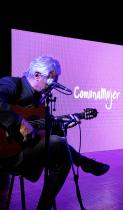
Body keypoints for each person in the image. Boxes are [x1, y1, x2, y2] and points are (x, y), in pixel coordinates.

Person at [0, 56, 110, 209]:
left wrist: (64, 123)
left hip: (26, 149)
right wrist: (20, 123)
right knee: (58, 143)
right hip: (6, 153)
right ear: (37, 75)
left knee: (63, 158)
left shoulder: (39, 100)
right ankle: (85, 163)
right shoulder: (12, 84)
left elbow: (43, 130)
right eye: (51, 81)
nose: (52, 86)